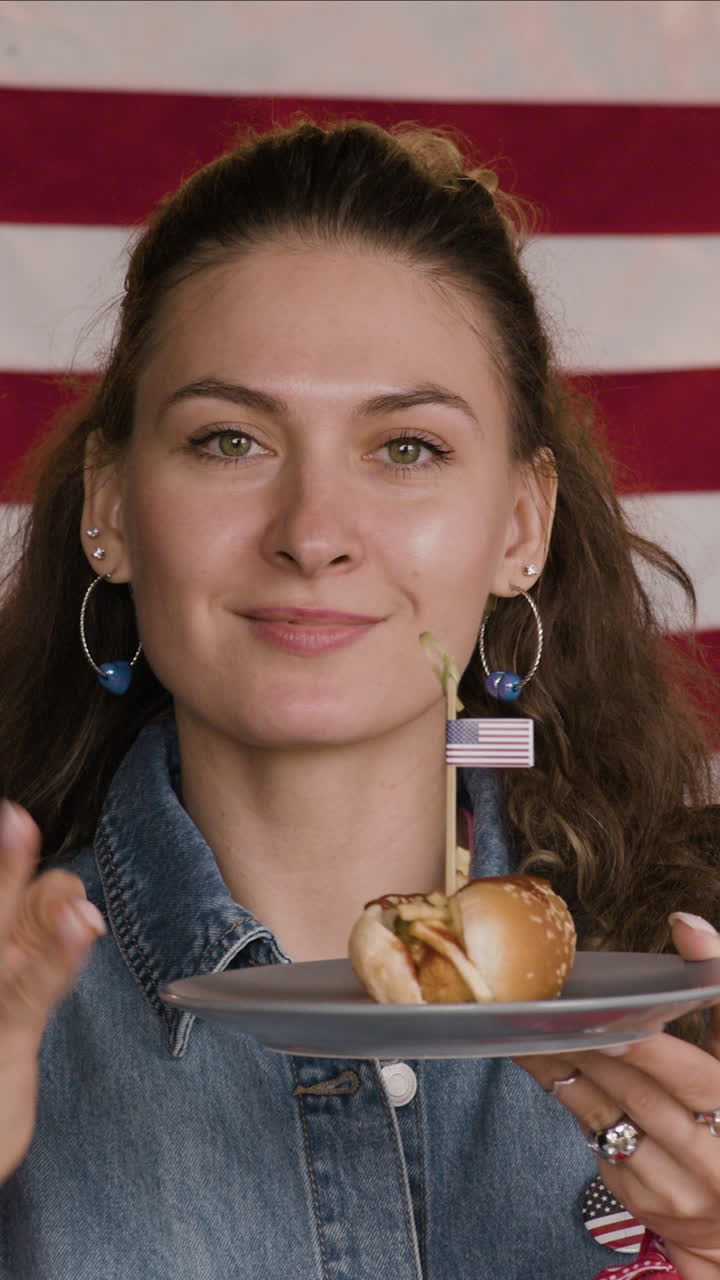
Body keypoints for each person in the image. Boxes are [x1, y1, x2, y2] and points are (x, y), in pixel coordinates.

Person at [0, 114, 719, 1280]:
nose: (314, 533)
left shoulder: (696, 972)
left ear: (521, 526)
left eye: (408, 448)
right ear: (111, 509)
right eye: (229, 439)